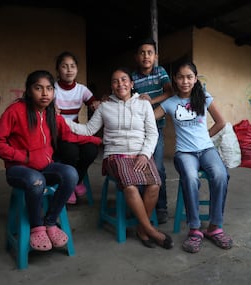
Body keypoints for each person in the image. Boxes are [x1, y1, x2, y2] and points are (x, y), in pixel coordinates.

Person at [0, 70, 101, 251]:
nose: (44, 93)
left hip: (44, 167)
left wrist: (97, 140)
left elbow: (70, 136)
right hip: (19, 170)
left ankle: (50, 222)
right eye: (38, 88)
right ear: (29, 90)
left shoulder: (52, 115)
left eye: (49, 88)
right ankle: (36, 226)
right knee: (36, 181)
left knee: (70, 174)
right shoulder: (15, 111)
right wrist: (24, 157)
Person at [65, 67, 174, 249]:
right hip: (116, 155)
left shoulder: (143, 104)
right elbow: (88, 130)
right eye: (115, 81)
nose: (120, 84)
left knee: (154, 185)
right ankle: (151, 231)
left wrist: (145, 155)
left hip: (141, 154)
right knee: (130, 188)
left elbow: (152, 134)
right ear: (111, 86)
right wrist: (62, 121)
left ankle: (141, 229)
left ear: (131, 84)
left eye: (124, 80)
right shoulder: (105, 107)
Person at [154, 61, 233, 253]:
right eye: (180, 77)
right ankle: (195, 229)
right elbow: (149, 118)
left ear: (195, 78)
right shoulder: (170, 103)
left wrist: (206, 136)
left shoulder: (204, 97)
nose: (185, 81)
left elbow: (221, 122)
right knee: (190, 178)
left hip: (207, 150)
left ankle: (215, 227)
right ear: (175, 79)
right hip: (184, 153)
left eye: (189, 77)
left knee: (221, 175)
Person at [131, 38, 174, 224]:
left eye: (149, 52)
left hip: (156, 128)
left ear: (155, 56)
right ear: (136, 57)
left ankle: (161, 206)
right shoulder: (132, 77)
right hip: (137, 130)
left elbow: (170, 92)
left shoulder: (160, 72)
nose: (146, 56)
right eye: (142, 52)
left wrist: (151, 102)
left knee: (158, 167)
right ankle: (140, 205)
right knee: (138, 167)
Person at [53, 51, 101, 204]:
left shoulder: (82, 89)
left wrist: (96, 104)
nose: (69, 70)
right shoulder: (52, 89)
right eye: (64, 66)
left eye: (72, 66)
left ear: (77, 69)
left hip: (75, 131)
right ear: (58, 70)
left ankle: (75, 182)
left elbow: (94, 103)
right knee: (71, 152)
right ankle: (69, 185)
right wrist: (49, 108)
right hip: (57, 133)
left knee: (91, 150)